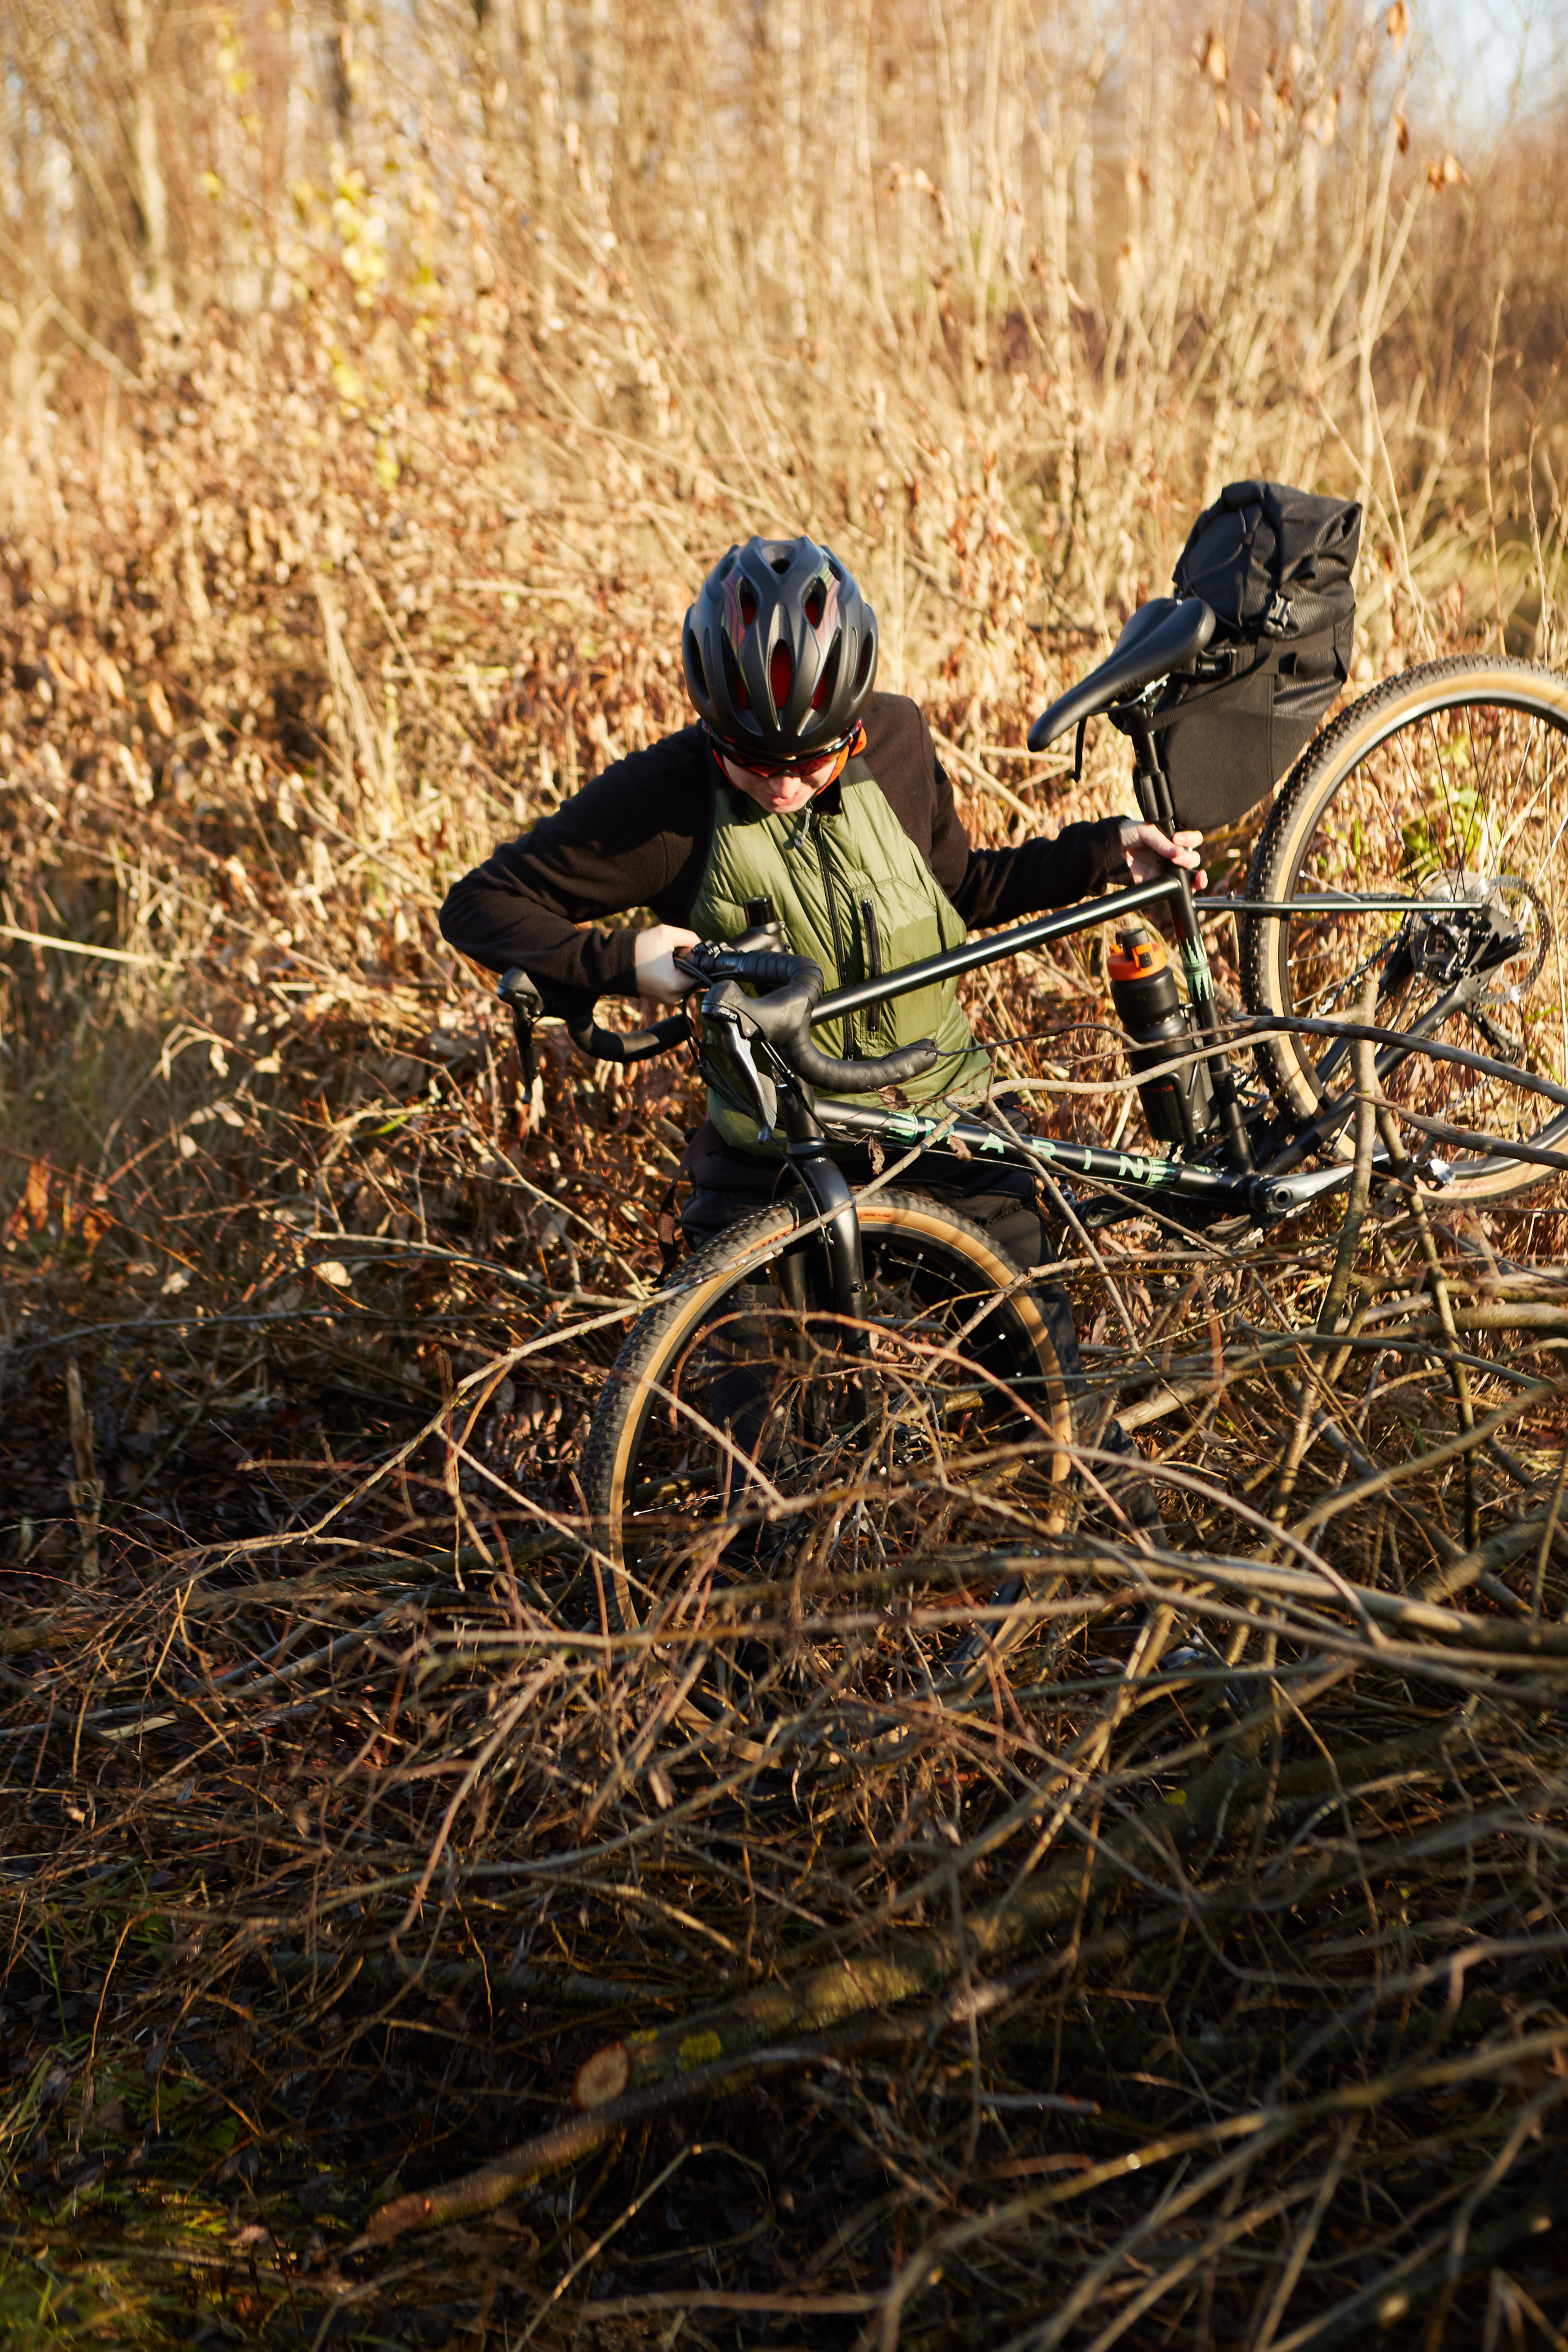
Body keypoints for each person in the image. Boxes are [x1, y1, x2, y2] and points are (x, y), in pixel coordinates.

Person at [439, 535, 1204, 1524]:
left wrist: (1104, 851)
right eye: (755, 762)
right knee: (752, 1481)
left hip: (946, 1125)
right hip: (773, 1154)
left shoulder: (896, 739)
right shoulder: (668, 801)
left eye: (811, 757)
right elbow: (482, 902)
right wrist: (623, 961)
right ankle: (756, 1654)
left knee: (1056, 1417)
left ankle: (1136, 1606)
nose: (787, 783)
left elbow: (961, 890)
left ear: (852, 721)